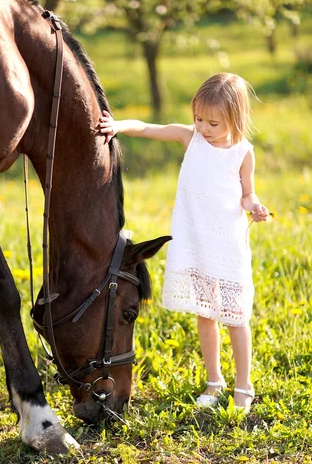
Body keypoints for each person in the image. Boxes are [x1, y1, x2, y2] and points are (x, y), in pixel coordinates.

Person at [98, 73, 270, 413]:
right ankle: (214, 380)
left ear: (235, 119)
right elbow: (148, 128)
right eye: (198, 119)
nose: (203, 127)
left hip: (227, 246)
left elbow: (247, 193)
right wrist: (117, 124)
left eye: (213, 123)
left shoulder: (242, 153)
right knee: (205, 315)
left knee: (235, 318)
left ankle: (243, 384)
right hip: (196, 243)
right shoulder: (190, 138)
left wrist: (255, 207)